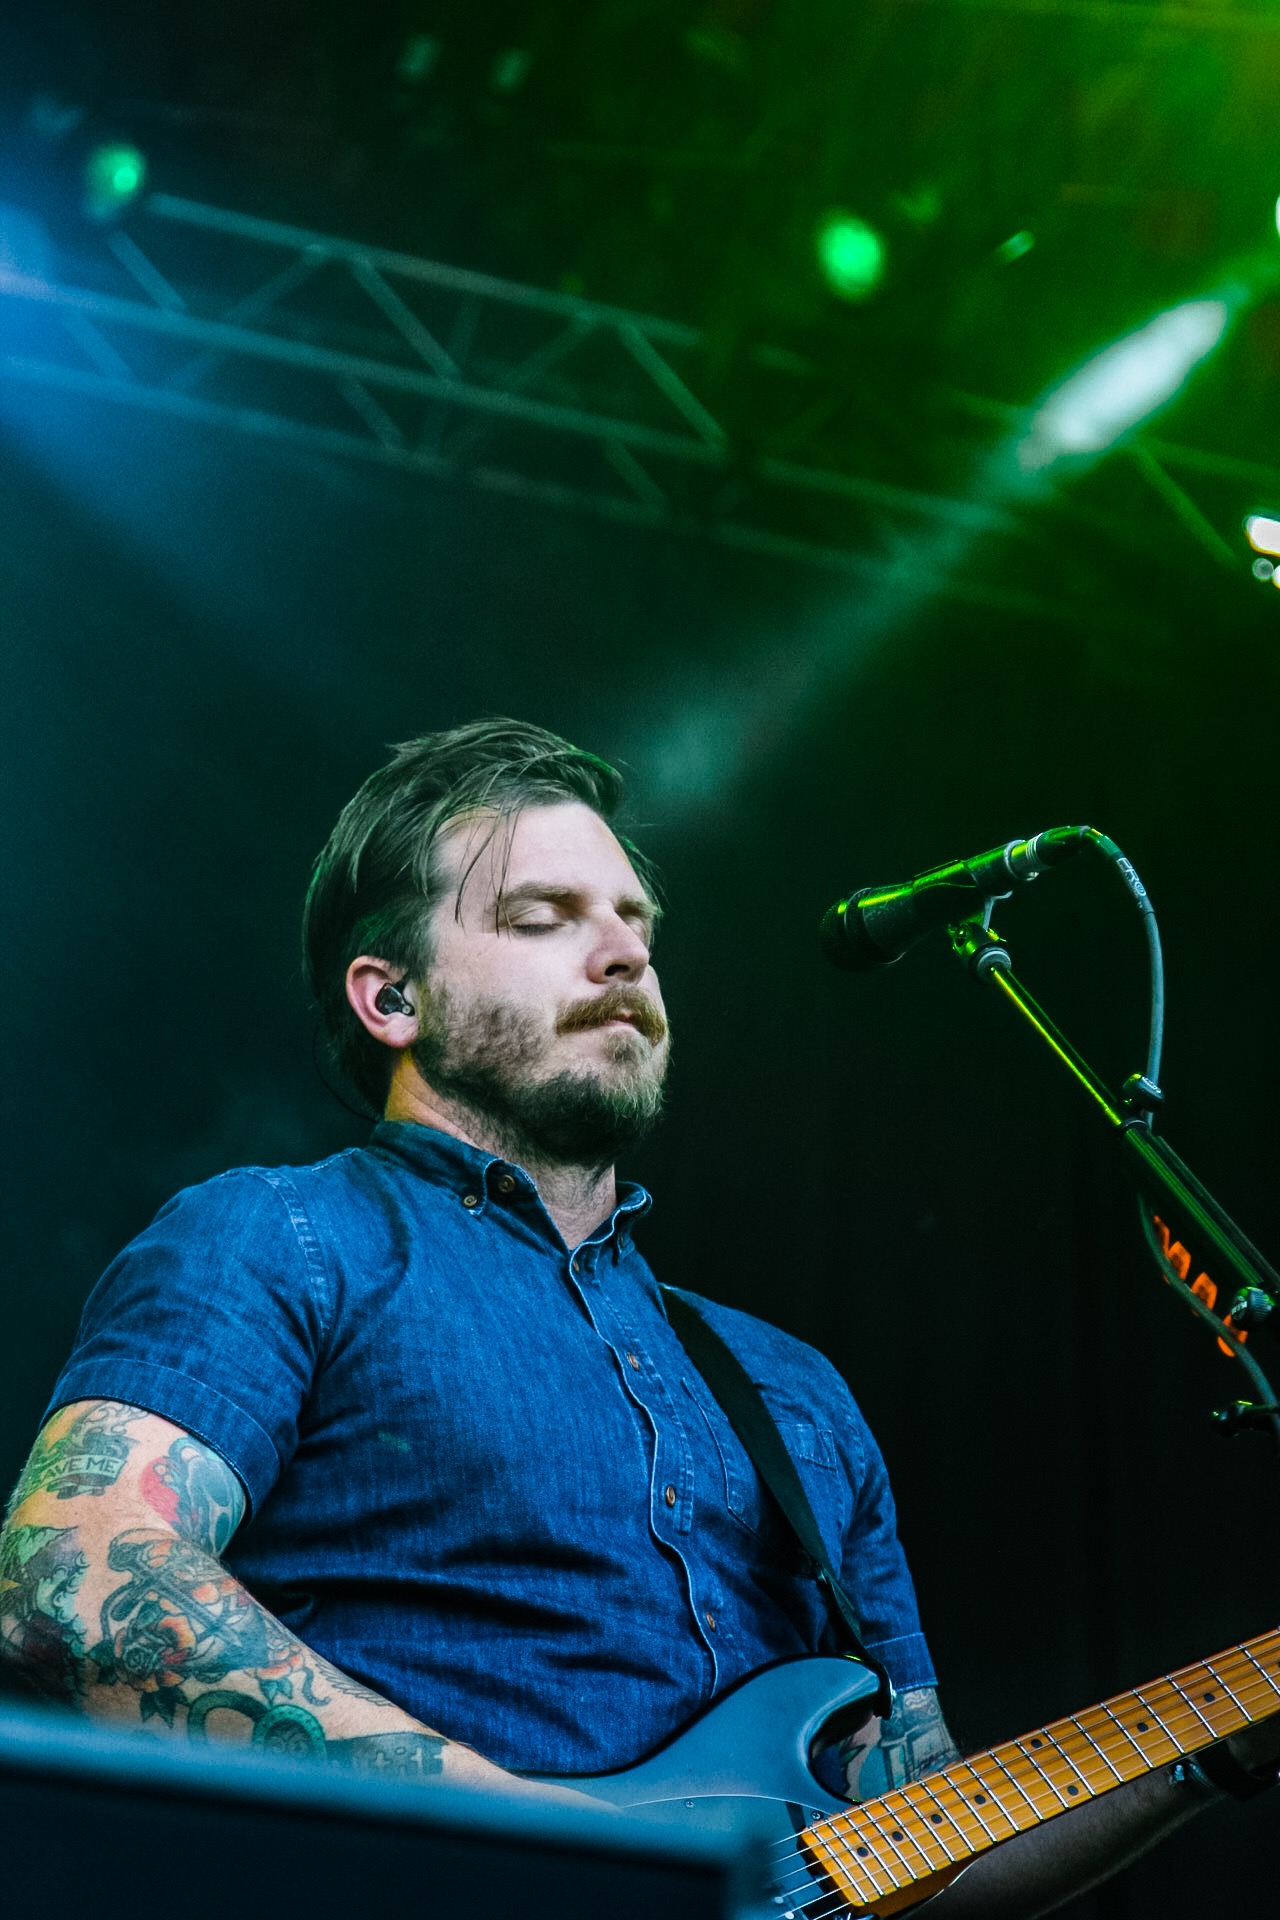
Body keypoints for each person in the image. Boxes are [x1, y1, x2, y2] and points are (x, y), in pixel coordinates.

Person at [0, 719, 1274, 1910]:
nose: (621, 954)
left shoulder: (789, 1390)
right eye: (542, 917)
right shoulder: (283, 1237)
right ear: (391, 999)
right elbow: (71, 1578)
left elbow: (927, 1849)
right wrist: (555, 1858)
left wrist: (1219, 1746)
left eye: (634, 924)